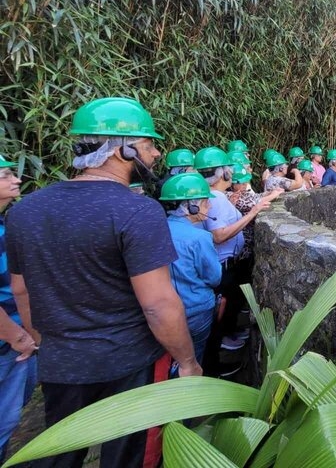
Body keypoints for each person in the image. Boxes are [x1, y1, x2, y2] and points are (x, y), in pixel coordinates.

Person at [7, 97, 201, 468]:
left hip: (62, 365)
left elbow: (22, 289)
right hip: (128, 367)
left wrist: (48, 342)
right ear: (123, 150)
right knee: (127, 457)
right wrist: (187, 361)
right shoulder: (138, 211)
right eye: (148, 145)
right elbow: (158, 304)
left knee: (60, 453)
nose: (157, 153)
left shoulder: (24, 211)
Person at [194, 146, 271, 369]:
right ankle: (216, 367)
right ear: (223, 173)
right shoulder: (216, 197)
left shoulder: (215, 196)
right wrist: (253, 212)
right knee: (219, 321)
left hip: (224, 264)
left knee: (223, 314)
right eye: (229, 169)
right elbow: (219, 235)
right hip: (223, 266)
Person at [159, 173, 222, 365]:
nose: (209, 207)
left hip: (162, 312)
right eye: (205, 203)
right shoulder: (199, 238)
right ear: (191, 206)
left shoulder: (154, 229)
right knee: (193, 358)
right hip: (195, 310)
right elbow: (214, 278)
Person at [0, 155, 37, 464]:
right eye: (6, 175)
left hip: (14, 338)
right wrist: (18, 337)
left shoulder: (4, 223)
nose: (17, 179)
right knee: (4, 421)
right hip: (8, 341)